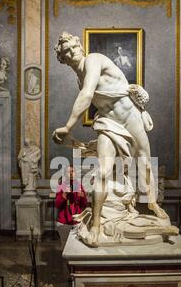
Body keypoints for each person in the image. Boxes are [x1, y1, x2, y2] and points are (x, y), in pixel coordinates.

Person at [52, 32, 167, 246]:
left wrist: (68, 126)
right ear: (63, 60)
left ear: (80, 46)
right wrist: (69, 136)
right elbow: (90, 97)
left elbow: (87, 96)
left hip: (129, 117)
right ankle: (96, 224)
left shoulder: (93, 59)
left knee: (144, 162)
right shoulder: (80, 78)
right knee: (103, 171)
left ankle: (152, 203)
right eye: (66, 52)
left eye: (73, 47)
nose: (71, 52)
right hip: (107, 122)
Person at [55, 165, 87, 250]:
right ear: (65, 174)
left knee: (76, 247)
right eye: (69, 172)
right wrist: (64, 195)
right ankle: (64, 263)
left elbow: (84, 205)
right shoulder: (61, 186)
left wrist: (82, 196)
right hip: (64, 223)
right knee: (65, 247)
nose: (71, 173)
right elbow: (57, 205)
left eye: (73, 171)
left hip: (77, 222)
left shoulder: (79, 186)